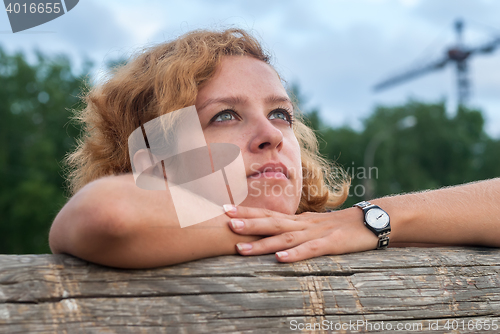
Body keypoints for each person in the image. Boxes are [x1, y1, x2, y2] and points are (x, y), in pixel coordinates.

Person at [49, 28, 500, 269]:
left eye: (280, 114)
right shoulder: (318, 238)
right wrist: (284, 233)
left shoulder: (344, 235)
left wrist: (366, 220)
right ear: (156, 159)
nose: (273, 135)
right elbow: (107, 214)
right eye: (225, 115)